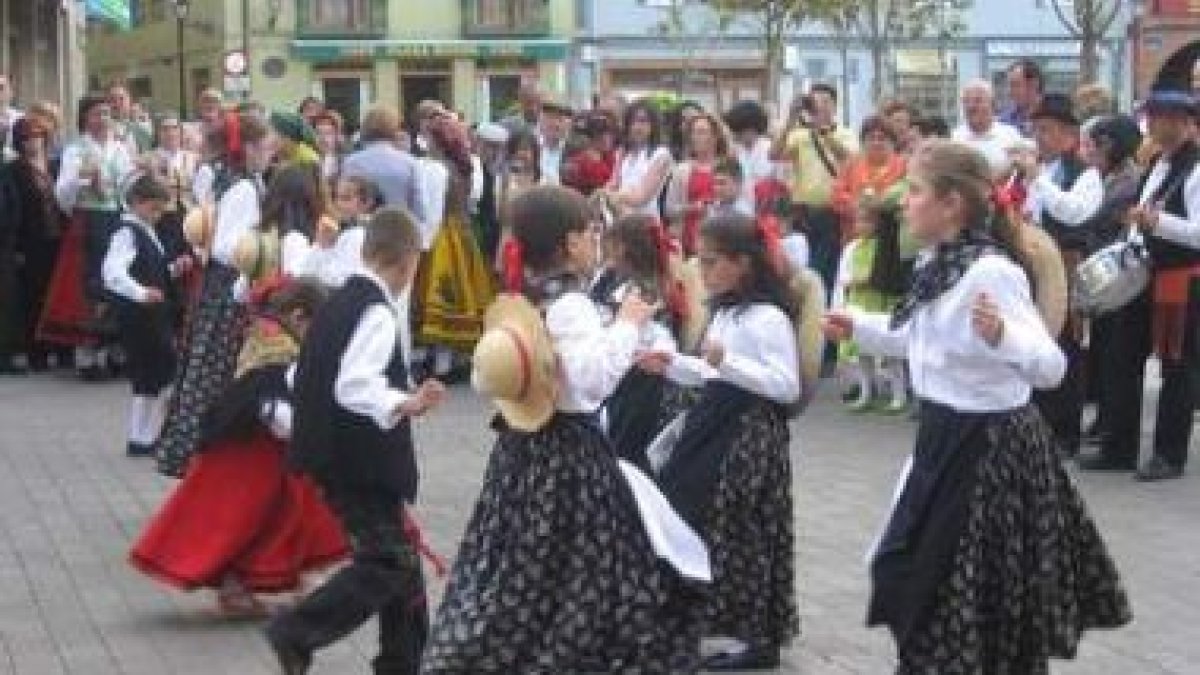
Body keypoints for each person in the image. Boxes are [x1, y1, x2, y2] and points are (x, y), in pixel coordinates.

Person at [823, 139, 1129, 672]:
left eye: (915, 191)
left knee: (961, 590)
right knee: (908, 573)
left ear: (952, 204)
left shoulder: (990, 272)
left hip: (987, 451)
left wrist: (1003, 336)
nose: (905, 203)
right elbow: (920, 342)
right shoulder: (939, 263)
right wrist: (861, 326)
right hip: (943, 441)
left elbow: (1049, 365)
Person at [422, 185, 705, 673]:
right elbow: (592, 381)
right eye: (592, 232)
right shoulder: (570, 303)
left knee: (522, 562)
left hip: (521, 447)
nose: (597, 242)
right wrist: (628, 324)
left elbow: (491, 373)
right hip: (567, 449)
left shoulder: (524, 297)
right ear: (572, 242)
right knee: (589, 565)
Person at [266, 208, 448, 675]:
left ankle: (402, 660)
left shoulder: (339, 301)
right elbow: (354, 385)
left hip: (336, 454)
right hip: (357, 459)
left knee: (401, 562)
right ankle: (298, 629)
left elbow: (308, 372)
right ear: (408, 262)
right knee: (386, 561)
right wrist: (406, 402)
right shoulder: (375, 311)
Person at [130, 276, 348, 616]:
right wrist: (315, 435)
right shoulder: (278, 348)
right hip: (246, 453)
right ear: (299, 317)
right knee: (240, 521)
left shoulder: (268, 335)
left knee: (265, 516)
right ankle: (253, 583)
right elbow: (271, 405)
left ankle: (265, 581)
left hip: (250, 445)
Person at [645, 213, 801, 670]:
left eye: (712, 262)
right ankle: (698, 618)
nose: (703, 270)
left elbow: (786, 385)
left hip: (748, 432)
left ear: (743, 264)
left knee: (741, 527)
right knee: (686, 508)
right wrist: (670, 363)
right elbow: (710, 370)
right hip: (715, 420)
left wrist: (729, 362)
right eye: (701, 260)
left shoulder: (768, 317)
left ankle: (757, 637)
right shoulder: (728, 311)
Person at [154, 112, 275, 478]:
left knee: (208, 367)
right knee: (219, 370)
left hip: (217, 287)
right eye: (266, 145)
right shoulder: (243, 187)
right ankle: (206, 459)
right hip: (229, 289)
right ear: (250, 147)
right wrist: (261, 250)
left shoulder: (226, 179)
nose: (270, 153)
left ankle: (200, 457)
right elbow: (224, 246)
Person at [1109, 89, 1200, 481]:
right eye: (1149, 117)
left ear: (1182, 121)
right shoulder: (1158, 164)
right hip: (1146, 272)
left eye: (1157, 118)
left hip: (1180, 280)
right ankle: (1120, 445)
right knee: (1124, 356)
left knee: (1177, 367)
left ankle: (1169, 453)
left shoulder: (1196, 169)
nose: (1149, 124)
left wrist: (1156, 223)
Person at [1012, 93, 1103, 459]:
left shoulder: (1087, 174)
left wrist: (1038, 182)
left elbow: (1074, 214)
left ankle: (1065, 433)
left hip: (1065, 265)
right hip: (1034, 262)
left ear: (1070, 134)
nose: (1040, 138)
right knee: (1035, 340)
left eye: (1047, 130)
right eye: (1036, 130)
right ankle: (1039, 425)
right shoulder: (1043, 170)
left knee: (1065, 344)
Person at [45, 94, 136, 380]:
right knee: (88, 285)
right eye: (97, 114)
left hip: (115, 219)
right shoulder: (76, 150)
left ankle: (115, 350)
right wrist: (84, 179)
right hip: (88, 220)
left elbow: (128, 186)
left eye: (107, 113)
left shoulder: (120, 149)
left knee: (116, 279)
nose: (103, 119)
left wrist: (135, 179)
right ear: (86, 118)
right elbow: (62, 193)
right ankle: (87, 354)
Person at [102, 175, 193, 456]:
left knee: (151, 377)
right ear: (137, 203)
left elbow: (153, 268)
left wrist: (174, 269)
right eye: (154, 209)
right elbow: (112, 273)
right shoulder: (127, 231)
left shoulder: (145, 230)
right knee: (156, 373)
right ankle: (145, 435)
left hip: (153, 315)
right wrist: (141, 293)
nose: (157, 216)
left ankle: (142, 436)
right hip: (141, 316)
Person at [1075, 114, 1146, 470]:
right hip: (1105, 278)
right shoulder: (1107, 177)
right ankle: (1106, 425)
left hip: (1120, 279)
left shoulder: (1128, 181)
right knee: (1104, 356)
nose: (1091, 150)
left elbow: (1094, 220)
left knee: (1118, 361)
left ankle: (1117, 441)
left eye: (1098, 143)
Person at [593, 214, 690, 470]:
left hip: (639, 381)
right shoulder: (626, 281)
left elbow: (631, 331)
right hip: (634, 375)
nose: (607, 256)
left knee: (625, 449)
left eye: (611, 249)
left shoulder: (642, 290)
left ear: (625, 249)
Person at [415, 115, 495, 379]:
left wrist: (424, 244)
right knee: (462, 295)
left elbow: (432, 210)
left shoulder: (434, 169)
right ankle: (454, 360)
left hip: (441, 235)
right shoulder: (465, 167)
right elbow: (473, 201)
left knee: (441, 296)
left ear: (436, 140)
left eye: (428, 137)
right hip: (464, 233)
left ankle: (441, 364)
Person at [772, 84, 858, 303]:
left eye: (825, 101)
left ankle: (824, 315)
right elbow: (774, 154)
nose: (819, 106)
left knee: (823, 270)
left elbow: (850, 158)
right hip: (802, 212)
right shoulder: (800, 135)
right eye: (814, 101)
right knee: (801, 267)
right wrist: (791, 119)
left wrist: (823, 131)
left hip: (832, 212)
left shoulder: (846, 133)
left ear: (834, 106)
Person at [833, 190, 911, 413]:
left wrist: (866, 279)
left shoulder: (884, 248)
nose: (861, 225)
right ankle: (867, 391)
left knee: (888, 351)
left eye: (867, 220)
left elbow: (883, 274)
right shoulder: (853, 247)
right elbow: (844, 275)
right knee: (861, 351)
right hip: (859, 303)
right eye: (858, 220)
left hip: (880, 303)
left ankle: (899, 394)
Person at [2, 117, 67, 373]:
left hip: (58, 238)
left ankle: (62, 350)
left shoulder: (56, 164)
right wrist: (16, 247)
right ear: (19, 141)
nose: (33, 141)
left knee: (57, 294)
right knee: (34, 297)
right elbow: (14, 209)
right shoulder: (13, 169)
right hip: (32, 241)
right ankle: (36, 352)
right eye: (27, 137)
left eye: (38, 136)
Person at [667, 111, 734, 255]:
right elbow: (669, 209)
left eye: (702, 132)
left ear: (715, 136)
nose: (695, 137)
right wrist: (693, 207)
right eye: (693, 133)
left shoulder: (729, 166)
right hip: (689, 241)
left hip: (723, 240)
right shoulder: (681, 169)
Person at [832, 115, 908, 242]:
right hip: (855, 236)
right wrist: (858, 205)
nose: (876, 143)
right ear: (863, 142)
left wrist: (880, 205)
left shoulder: (904, 166)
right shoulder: (851, 165)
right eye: (871, 138)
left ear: (892, 142)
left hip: (891, 237)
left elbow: (905, 196)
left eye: (882, 138)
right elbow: (836, 195)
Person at [605, 99, 673, 218]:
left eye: (643, 121)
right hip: (619, 218)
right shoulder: (623, 152)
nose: (637, 127)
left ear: (653, 124)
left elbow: (641, 197)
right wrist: (608, 194)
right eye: (632, 122)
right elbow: (612, 185)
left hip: (645, 221)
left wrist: (615, 196)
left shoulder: (661, 154)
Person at [952, 80, 1025, 177]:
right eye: (966, 102)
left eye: (978, 101)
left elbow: (1022, 170)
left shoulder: (1010, 135)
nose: (971, 106)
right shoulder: (956, 137)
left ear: (992, 104)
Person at [724, 100, 776, 212]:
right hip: (740, 213)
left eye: (738, 131)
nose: (734, 135)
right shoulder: (734, 153)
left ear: (752, 128)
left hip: (767, 213)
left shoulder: (771, 150)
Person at [1001, 58, 1045, 137]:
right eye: (1009, 86)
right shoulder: (1005, 120)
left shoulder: (1056, 116)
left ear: (1033, 84)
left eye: (1015, 85)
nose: (1009, 92)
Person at [538, 96, 572, 185]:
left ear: (569, 123)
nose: (554, 123)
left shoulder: (575, 149)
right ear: (540, 120)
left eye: (560, 119)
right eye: (549, 117)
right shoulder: (533, 145)